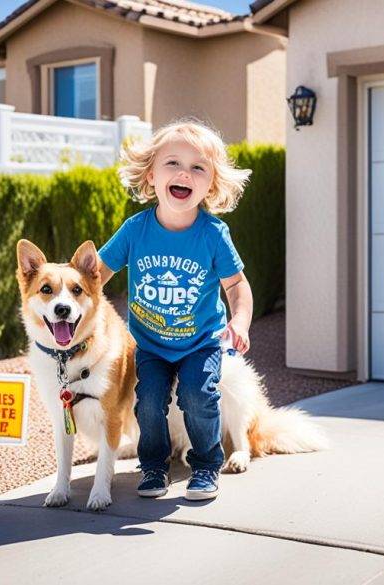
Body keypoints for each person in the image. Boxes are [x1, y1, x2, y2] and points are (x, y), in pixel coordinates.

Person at [98, 118, 253, 501]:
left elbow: (236, 285)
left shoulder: (213, 234)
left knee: (198, 396)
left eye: (198, 167)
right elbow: (94, 276)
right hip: (150, 344)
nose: (185, 172)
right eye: (173, 163)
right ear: (150, 176)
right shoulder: (135, 230)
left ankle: (205, 466)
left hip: (200, 342)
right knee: (148, 401)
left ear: (210, 184)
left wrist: (241, 320)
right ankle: (153, 467)